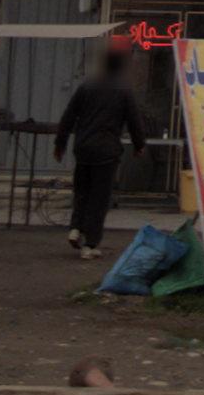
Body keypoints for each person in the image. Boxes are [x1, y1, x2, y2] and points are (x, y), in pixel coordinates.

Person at [54, 47, 146, 259]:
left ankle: (75, 228)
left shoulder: (87, 87)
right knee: (99, 198)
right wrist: (139, 145)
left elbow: (68, 116)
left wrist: (60, 144)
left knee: (82, 192)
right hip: (106, 152)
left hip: (83, 149)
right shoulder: (124, 90)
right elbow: (134, 121)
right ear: (121, 67)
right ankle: (90, 244)